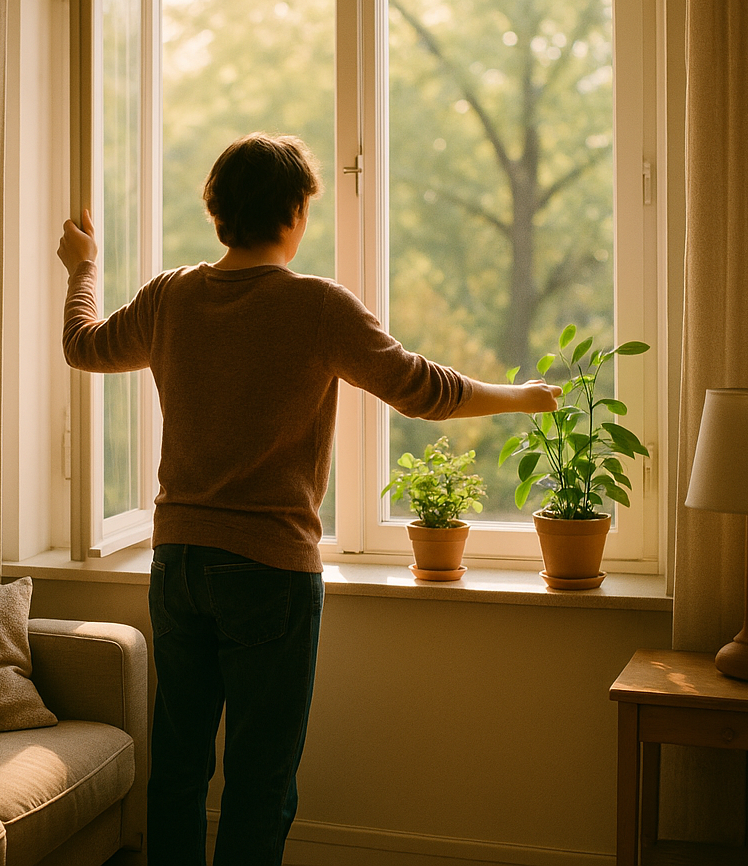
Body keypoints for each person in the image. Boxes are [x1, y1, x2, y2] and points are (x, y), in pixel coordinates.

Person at [58, 132, 560, 866]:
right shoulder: (317, 306)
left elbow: (84, 343)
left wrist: (84, 269)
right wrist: (518, 398)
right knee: (260, 784)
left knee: (177, 773)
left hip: (179, 565)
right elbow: (422, 389)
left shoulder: (170, 296)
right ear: (294, 212)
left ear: (216, 211)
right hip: (267, 573)